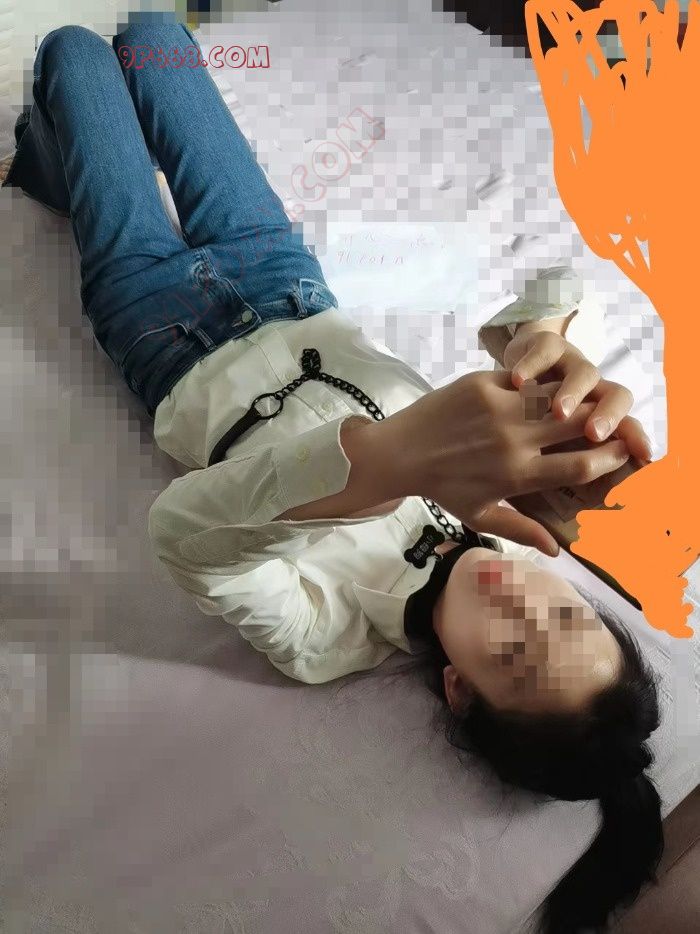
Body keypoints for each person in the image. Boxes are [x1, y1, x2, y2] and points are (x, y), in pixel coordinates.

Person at [2, 19, 664, 934]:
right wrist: (541, 341)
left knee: (75, 52)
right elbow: (549, 284)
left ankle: (49, 163)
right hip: (284, 276)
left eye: (513, 653)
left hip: (161, 325)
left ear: (460, 689)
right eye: (563, 615)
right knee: (154, 34)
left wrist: (386, 466)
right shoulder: (517, 511)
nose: (522, 602)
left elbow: (184, 533)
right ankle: (58, 164)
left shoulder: (326, 638)